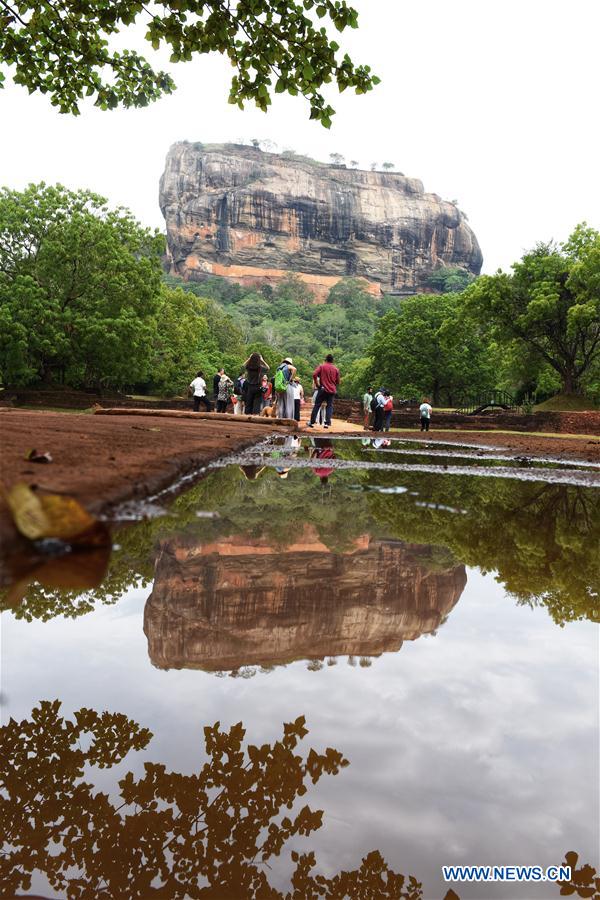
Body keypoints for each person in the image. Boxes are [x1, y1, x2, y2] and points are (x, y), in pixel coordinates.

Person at [308, 353, 340, 429]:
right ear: (332, 361)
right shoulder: (336, 369)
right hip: (331, 390)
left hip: (322, 389)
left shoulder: (322, 366)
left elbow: (314, 374)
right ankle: (327, 423)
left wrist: (317, 384)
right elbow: (338, 382)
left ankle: (311, 422)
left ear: (326, 359)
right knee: (329, 406)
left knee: (317, 405)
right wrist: (332, 384)